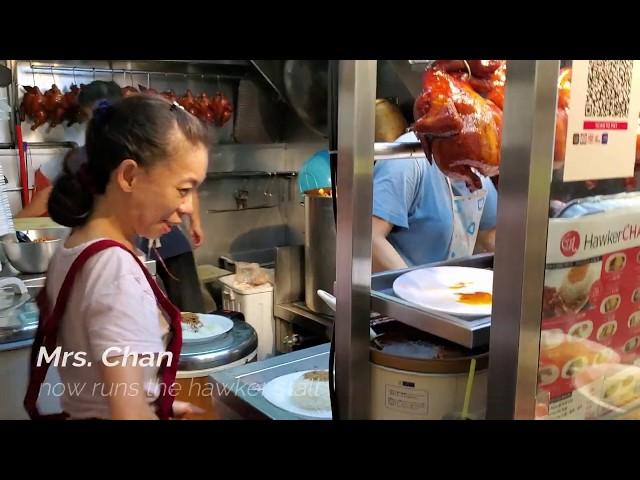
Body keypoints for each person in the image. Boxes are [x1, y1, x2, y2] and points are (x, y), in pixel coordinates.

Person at [25, 95, 208, 420]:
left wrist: (157, 403)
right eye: (184, 189)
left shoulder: (74, 248)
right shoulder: (117, 272)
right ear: (129, 177)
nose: (189, 207)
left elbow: (101, 381)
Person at [16, 81, 206, 313]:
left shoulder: (92, 259)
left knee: (187, 316)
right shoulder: (115, 274)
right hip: (149, 248)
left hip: (162, 245)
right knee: (188, 315)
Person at [372, 131, 498, 272]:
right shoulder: (408, 159)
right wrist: (415, 289)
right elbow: (370, 239)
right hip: (399, 289)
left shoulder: (477, 161)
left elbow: (489, 233)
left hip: (452, 289)